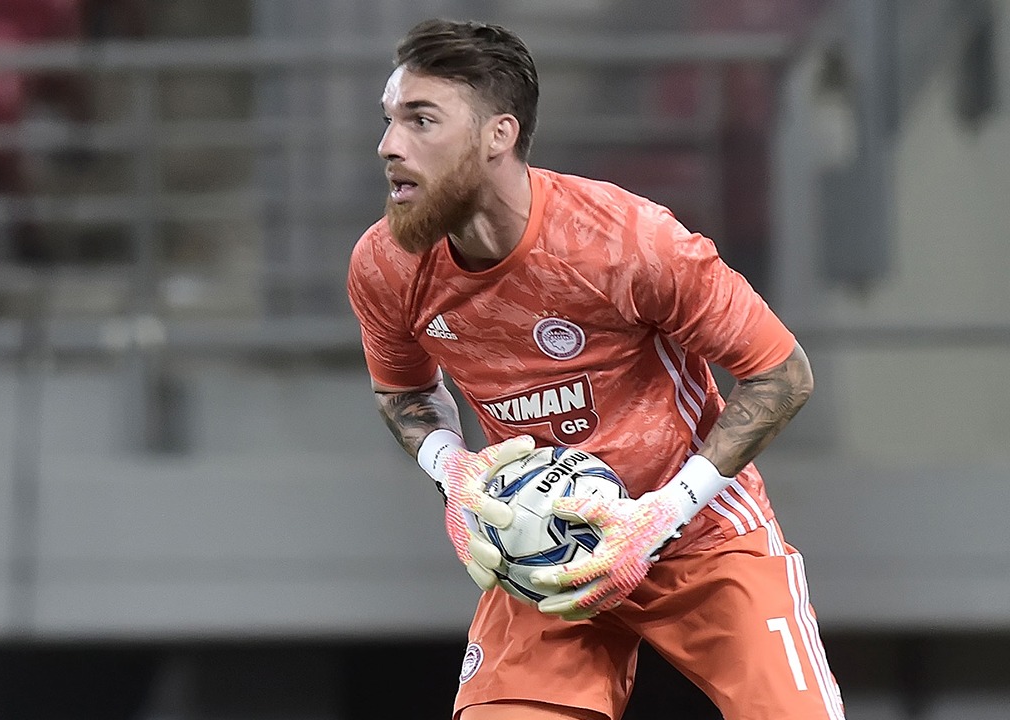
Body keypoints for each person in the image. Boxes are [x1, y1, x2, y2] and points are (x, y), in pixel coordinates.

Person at [346, 18, 846, 720]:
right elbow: (403, 392)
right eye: (389, 120)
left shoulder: (627, 242)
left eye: (420, 120)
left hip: (699, 537)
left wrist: (663, 514)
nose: (389, 146)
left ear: (498, 135)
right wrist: (451, 470)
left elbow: (782, 374)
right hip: (546, 551)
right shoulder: (386, 265)